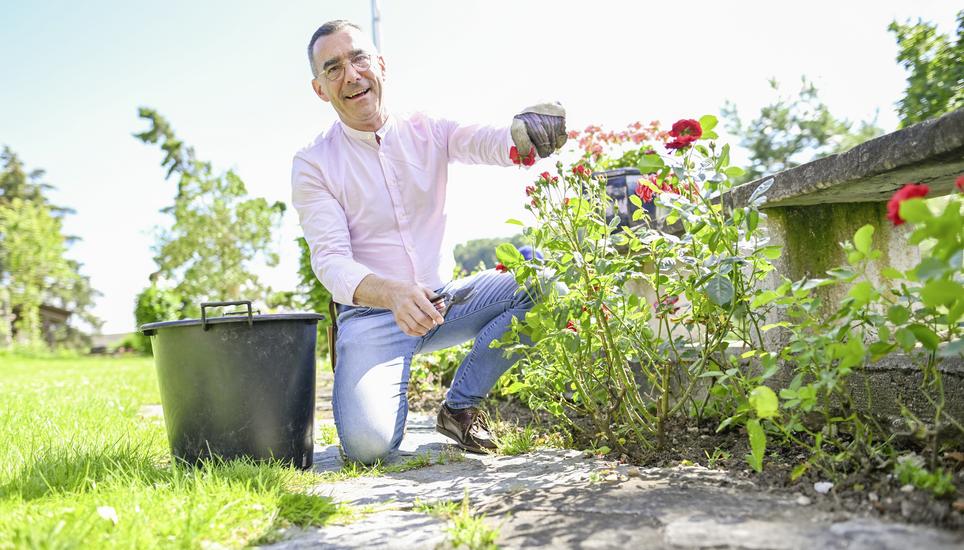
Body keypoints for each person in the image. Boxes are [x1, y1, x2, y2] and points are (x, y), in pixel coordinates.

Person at [291, 20, 566, 464]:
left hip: (441, 304)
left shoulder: (427, 130)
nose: (352, 74)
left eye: (359, 58)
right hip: (370, 318)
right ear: (320, 89)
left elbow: (489, 142)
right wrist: (392, 294)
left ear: (380, 65)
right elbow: (331, 262)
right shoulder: (313, 164)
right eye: (333, 67)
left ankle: (459, 407)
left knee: (545, 283)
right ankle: (369, 379)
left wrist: (524, 137)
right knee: (368, 449)